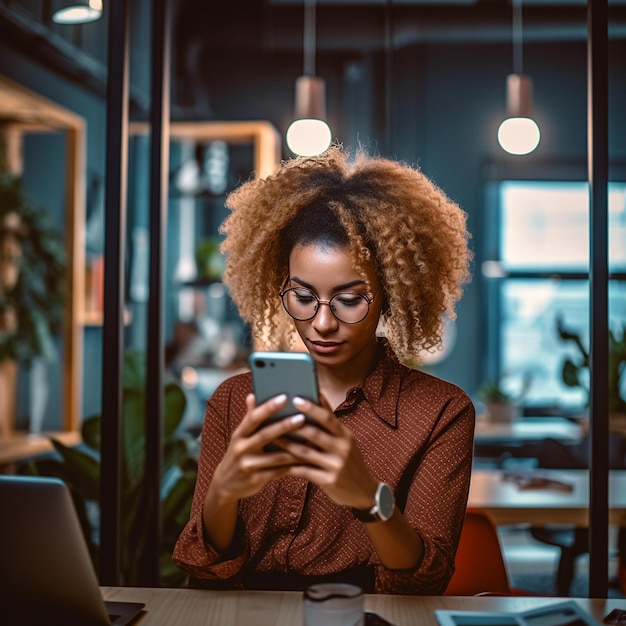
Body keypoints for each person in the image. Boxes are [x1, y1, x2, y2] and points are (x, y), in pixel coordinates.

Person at [172, 145, 475, 595]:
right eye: (302, 296)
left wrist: (369, 500)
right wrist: (223, 492)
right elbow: (203, 566)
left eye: (350, 300)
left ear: (389, 295)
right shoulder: (235, 400)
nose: (322, 322)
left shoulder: (440, 412)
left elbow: (424, 578)